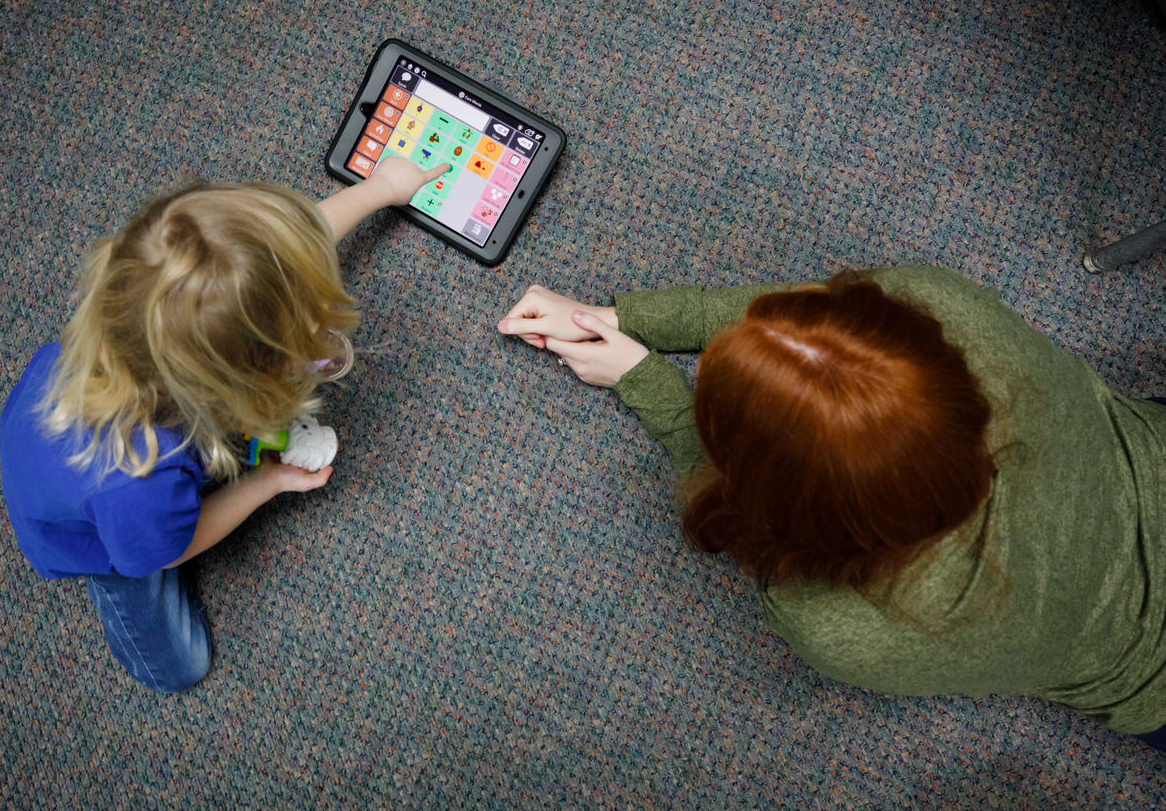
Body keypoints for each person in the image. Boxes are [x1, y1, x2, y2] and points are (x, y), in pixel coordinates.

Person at [498, 265, 1166, 750]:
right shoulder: (950, 310)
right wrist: (618, 319)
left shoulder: (833, 623)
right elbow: (814, 333)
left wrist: (650, 386)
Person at [0, 156, 449, 693]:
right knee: (181, 666)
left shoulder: (134, 310)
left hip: (106, 449)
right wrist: (267, 482)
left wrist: (380, 190)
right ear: (228, 392)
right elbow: (177, 546)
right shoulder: (140, 487)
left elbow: (277, 260)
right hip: (106, 535)